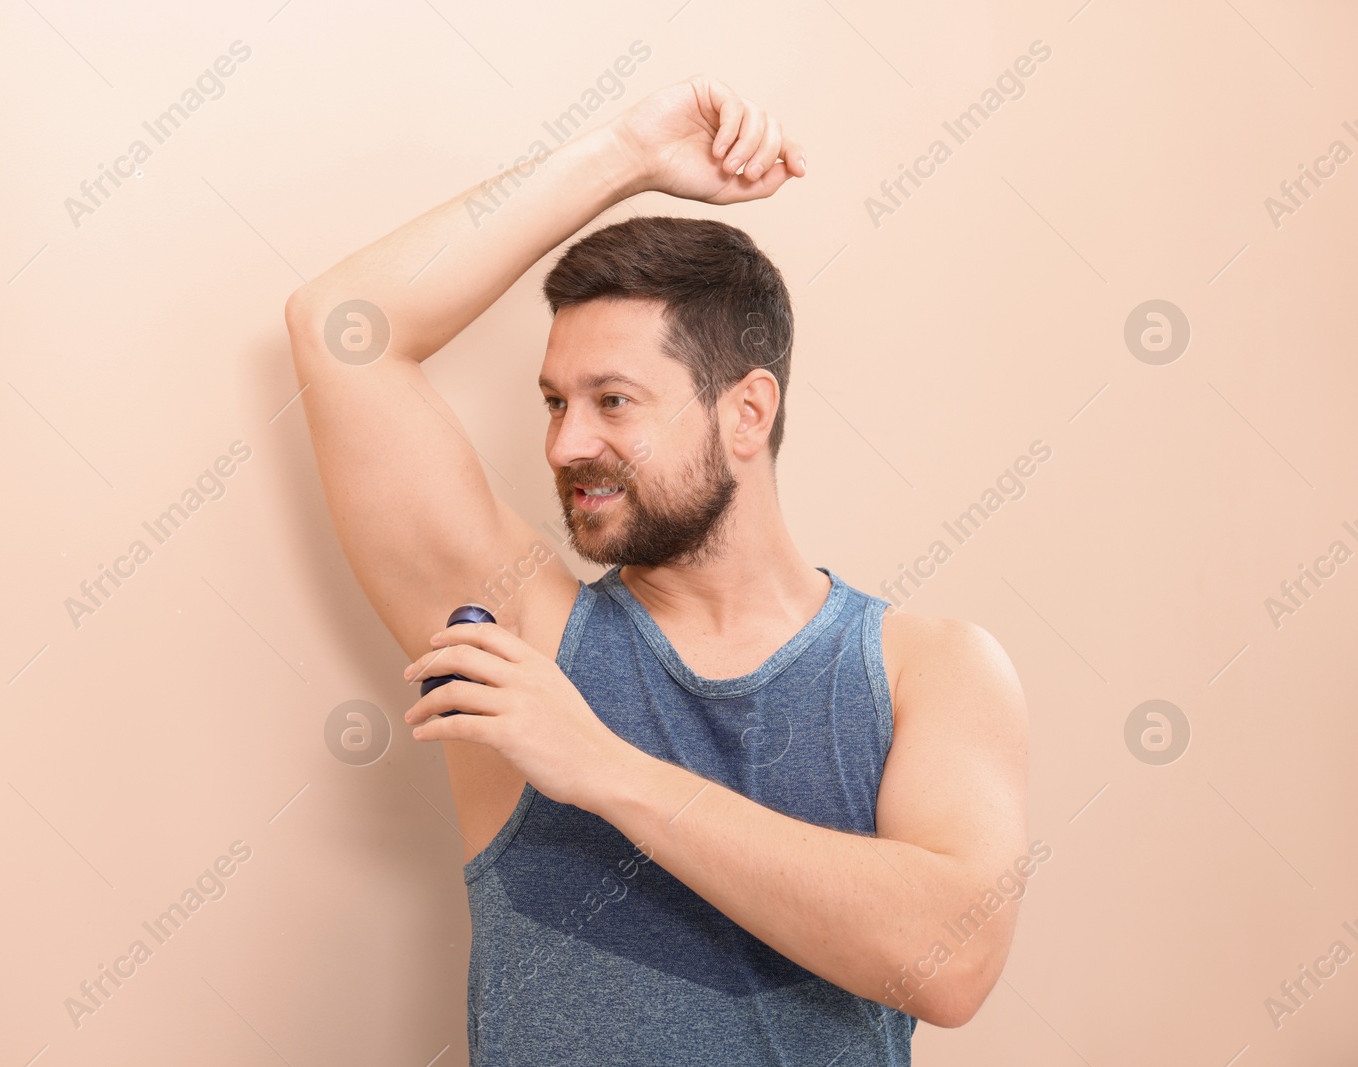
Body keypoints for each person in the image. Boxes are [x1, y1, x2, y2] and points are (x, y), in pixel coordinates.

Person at [285, 74, 1030, 1065]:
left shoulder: (929, 669)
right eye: (554, 401)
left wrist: (603, 768)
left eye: (613, 400)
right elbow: (340, 328)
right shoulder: (527, 638)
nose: (562, 444)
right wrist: (629, 151)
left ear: (746, 412)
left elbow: (950, 959)